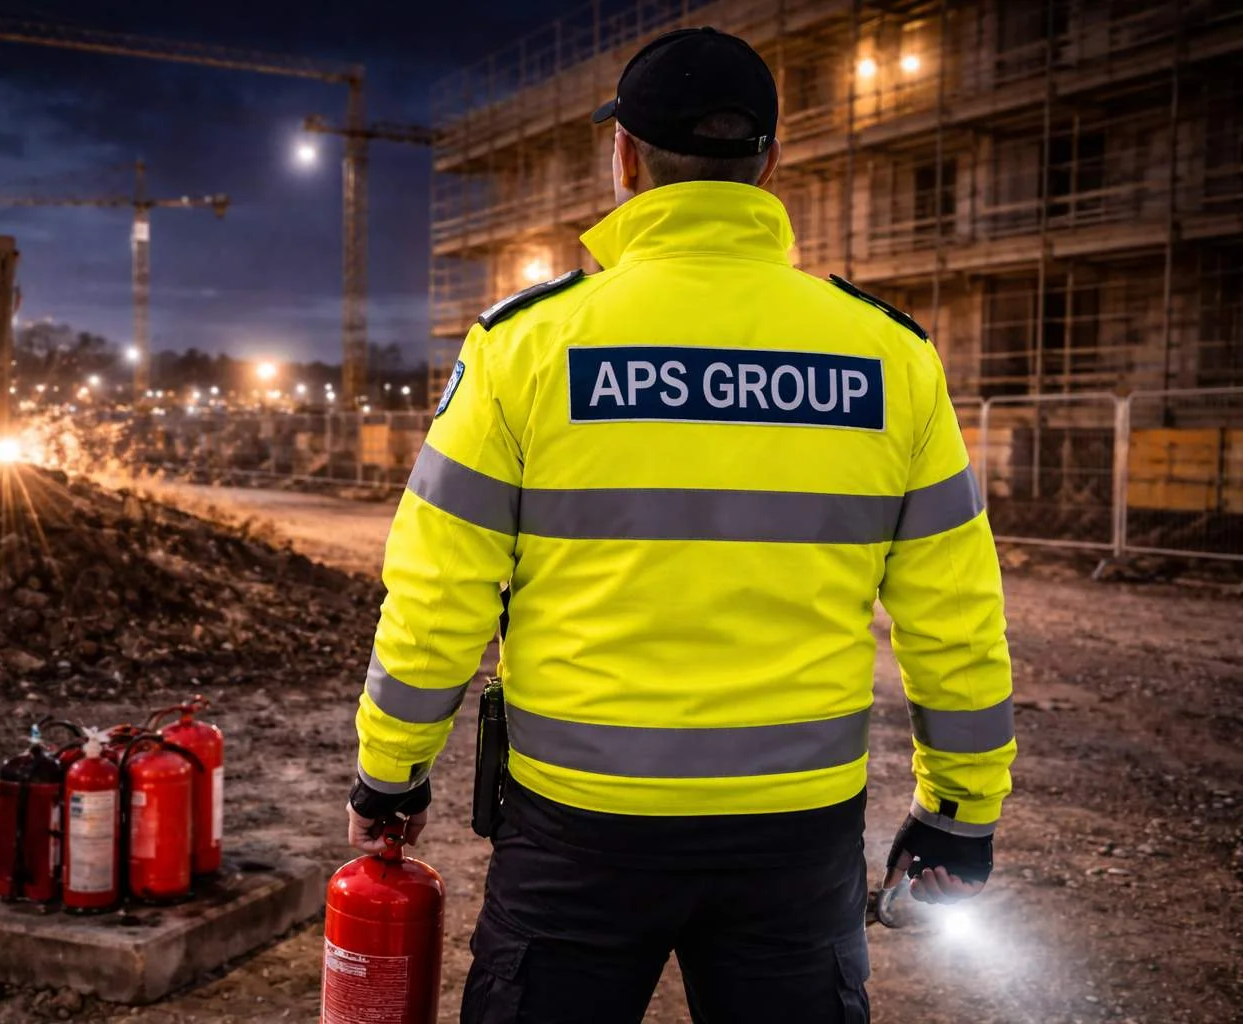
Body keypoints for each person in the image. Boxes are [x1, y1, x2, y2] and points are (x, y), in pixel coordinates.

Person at [345, 26, 1015, 1024]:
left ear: (624, 157)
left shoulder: (525, 348)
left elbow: (439, 597)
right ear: (769, 164)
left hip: (579, 828)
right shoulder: (890, 358)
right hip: (796, 834)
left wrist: (390, 774)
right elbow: (955, 614)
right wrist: (959, 809)